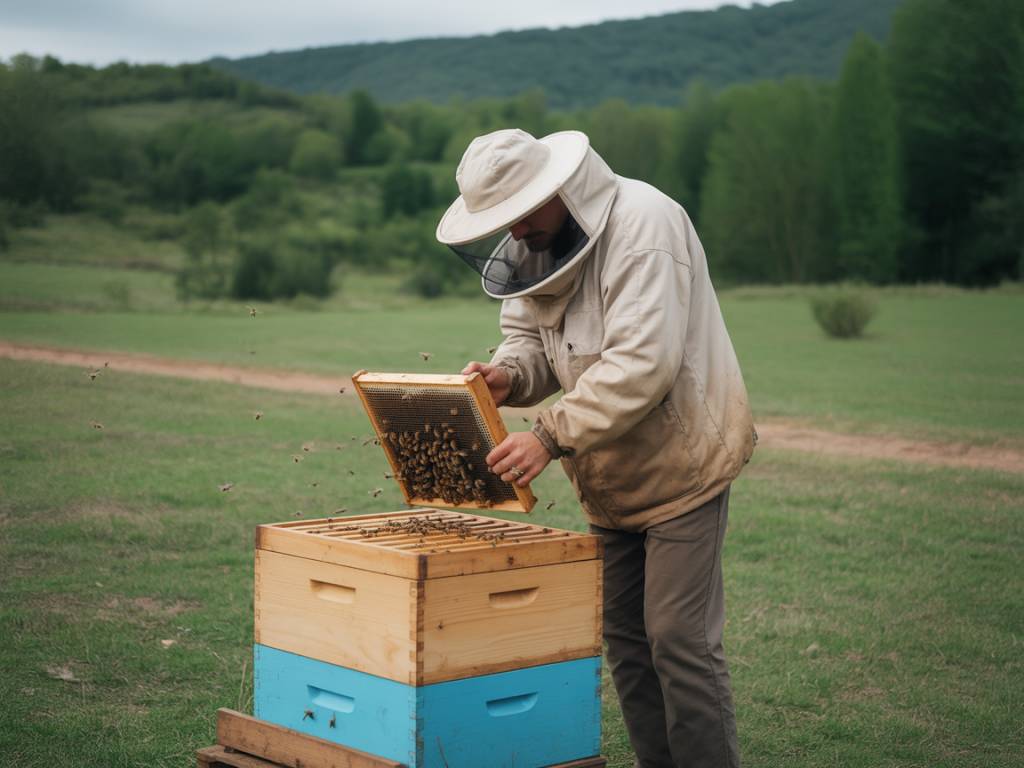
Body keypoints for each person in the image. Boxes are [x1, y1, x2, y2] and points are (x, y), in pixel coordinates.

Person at [436, 128, 756, 768]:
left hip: (682, 461)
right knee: (627, 642)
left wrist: (548, 435)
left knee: (678, 640)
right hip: (608, 475)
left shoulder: (645, 226)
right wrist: (508, 375)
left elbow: (643, 363)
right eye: (502, 221)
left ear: (554, 187)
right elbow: (529, 338)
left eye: (521, 214)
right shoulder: (535, 242)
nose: (516, 230)